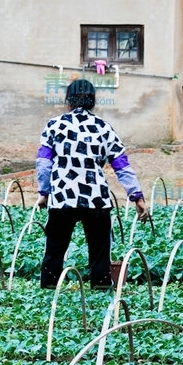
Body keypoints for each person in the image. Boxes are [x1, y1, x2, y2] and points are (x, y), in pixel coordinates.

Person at [36, 79, 148, 290]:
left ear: (68, 101)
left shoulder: (54, 125)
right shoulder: (103, 127)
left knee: (55, 248)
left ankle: (50, 287)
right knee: (99, 250)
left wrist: (44, 192)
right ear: (93, 101)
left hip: (62, 198)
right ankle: (101, 286)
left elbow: (43, 164)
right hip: (95, 197)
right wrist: (137, 197)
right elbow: (121, 165)